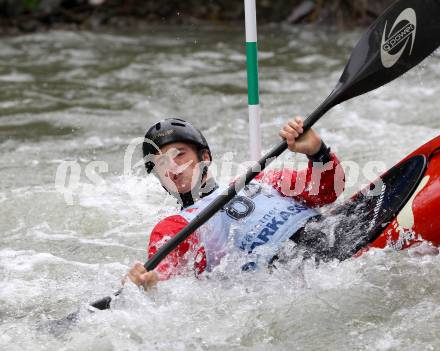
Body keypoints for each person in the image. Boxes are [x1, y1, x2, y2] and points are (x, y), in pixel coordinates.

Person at [126, 117, 345, 290]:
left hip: (331, 232)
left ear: (205, 157)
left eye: (179, 155)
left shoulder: (263, 179)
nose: (172, 168)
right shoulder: (174, 226)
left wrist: (317, 152)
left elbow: (326, 192)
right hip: (289, 275)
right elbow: (168, 273)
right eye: (161, 163)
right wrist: (149, 280)